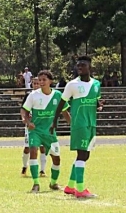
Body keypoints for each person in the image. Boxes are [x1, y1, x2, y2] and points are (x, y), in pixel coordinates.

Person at [51, 56, 104, 199]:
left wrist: (99, 105)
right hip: (79, 123)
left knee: (85, 155)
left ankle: (69, 186)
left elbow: (96, 100)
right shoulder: (72, 85)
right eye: (78, 66)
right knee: (82, 155)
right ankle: (80, 190)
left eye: (83, 65)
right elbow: (61, 104)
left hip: (91, 123)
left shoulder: (96, 84)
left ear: (89, 67)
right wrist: (54, 121)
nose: (79, 67)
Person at [21, 70, 71, 193]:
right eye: (39, 80)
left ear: (50, 81)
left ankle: (53, 183)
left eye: (44, 80)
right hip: (35, 130)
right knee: (33, 151)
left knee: (57, 159)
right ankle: (36, 184)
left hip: (50, 132)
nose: (41, 82)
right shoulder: (33, 95)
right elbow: (24, 110)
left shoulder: (58, 95)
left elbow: (65, 112)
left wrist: (73, 126)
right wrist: (27, 122)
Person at [21, 77, 48, 177]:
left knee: (43, 147)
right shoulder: (29, 95)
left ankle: (42, 170)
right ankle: (24, 166)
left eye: (38, 83)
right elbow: (23, 109)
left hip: (42, 126)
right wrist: (24, 118)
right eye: (34, 83)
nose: (36, 85)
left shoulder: (46, 95)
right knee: (28, 147)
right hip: (31, 125)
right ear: (32, 84)